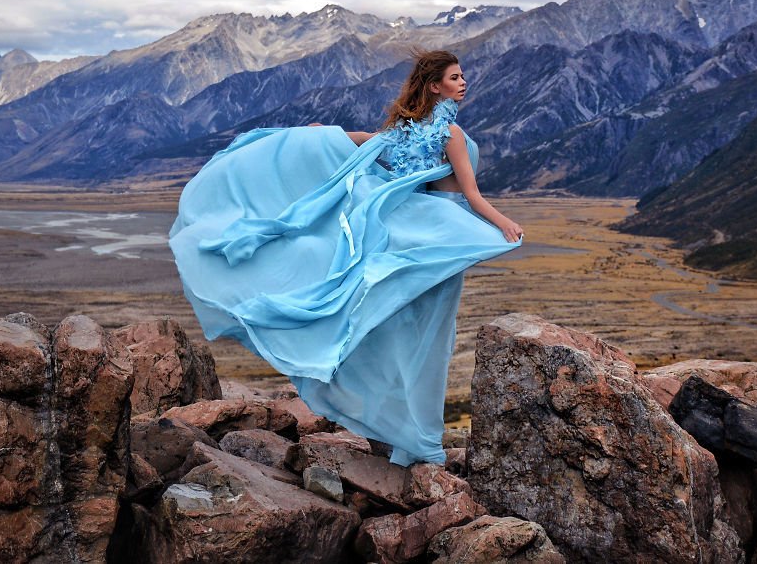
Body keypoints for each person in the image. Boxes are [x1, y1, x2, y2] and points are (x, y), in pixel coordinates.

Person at [169, 49, 523, 466]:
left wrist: (320, 136)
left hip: (411, 232)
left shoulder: (412, 129)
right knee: (421, 337)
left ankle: (399, 429)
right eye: (455, 77)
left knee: (399, 329)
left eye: (463, 77)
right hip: (433, 238)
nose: (464, 83)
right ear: (434, 86)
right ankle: (410, 436)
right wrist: (504, 223)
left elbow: (371, 142)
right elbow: (470, 194)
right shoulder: (447, 134)